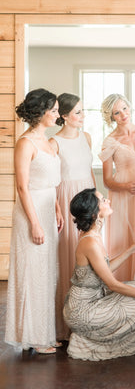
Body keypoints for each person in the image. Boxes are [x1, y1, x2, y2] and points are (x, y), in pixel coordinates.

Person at [63, 188, 135, 361]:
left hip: (94, 298)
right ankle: (86, 343)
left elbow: (104, 269)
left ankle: (91, 338)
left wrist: (130, 251)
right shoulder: (89, 242)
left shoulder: (94, 235)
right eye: (103, 200)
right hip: (82, 310)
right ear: (94, 213)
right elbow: (112, 284)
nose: (108, 201)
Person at [5, 88, 63, 354]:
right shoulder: (25, 143)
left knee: (47, 273)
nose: (57, 115)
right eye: (53, 111)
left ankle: (44, 332)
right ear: (40, 113)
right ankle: (34, 337)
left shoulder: (49, 142)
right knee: (32, 273)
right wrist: (35, 223)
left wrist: (57, 208)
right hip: (31, 213)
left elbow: (51, 182)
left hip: (49, 209)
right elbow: (22, 187)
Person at [49, 93, 95, 341]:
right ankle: (66, 325)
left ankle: (89, 318)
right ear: (64, 116)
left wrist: (96, 198)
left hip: (88, 197)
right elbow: (52, 180)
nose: (82, 116)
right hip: (66, 198)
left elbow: (89, 171)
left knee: (91, 254)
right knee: (68, 256)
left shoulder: (87, 137)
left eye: (83, 110)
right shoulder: (54, 143)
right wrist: (57, 209)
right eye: (78, 112)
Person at [99, 94, 135, 281]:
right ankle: (122, 283)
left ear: (130, 107)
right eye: (117, 113)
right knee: (124, 237)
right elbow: (107, 180)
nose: (123, 115)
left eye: (124, 108)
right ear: (111, 117)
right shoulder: (109, 141)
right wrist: (126, 186)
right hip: (123, 195)